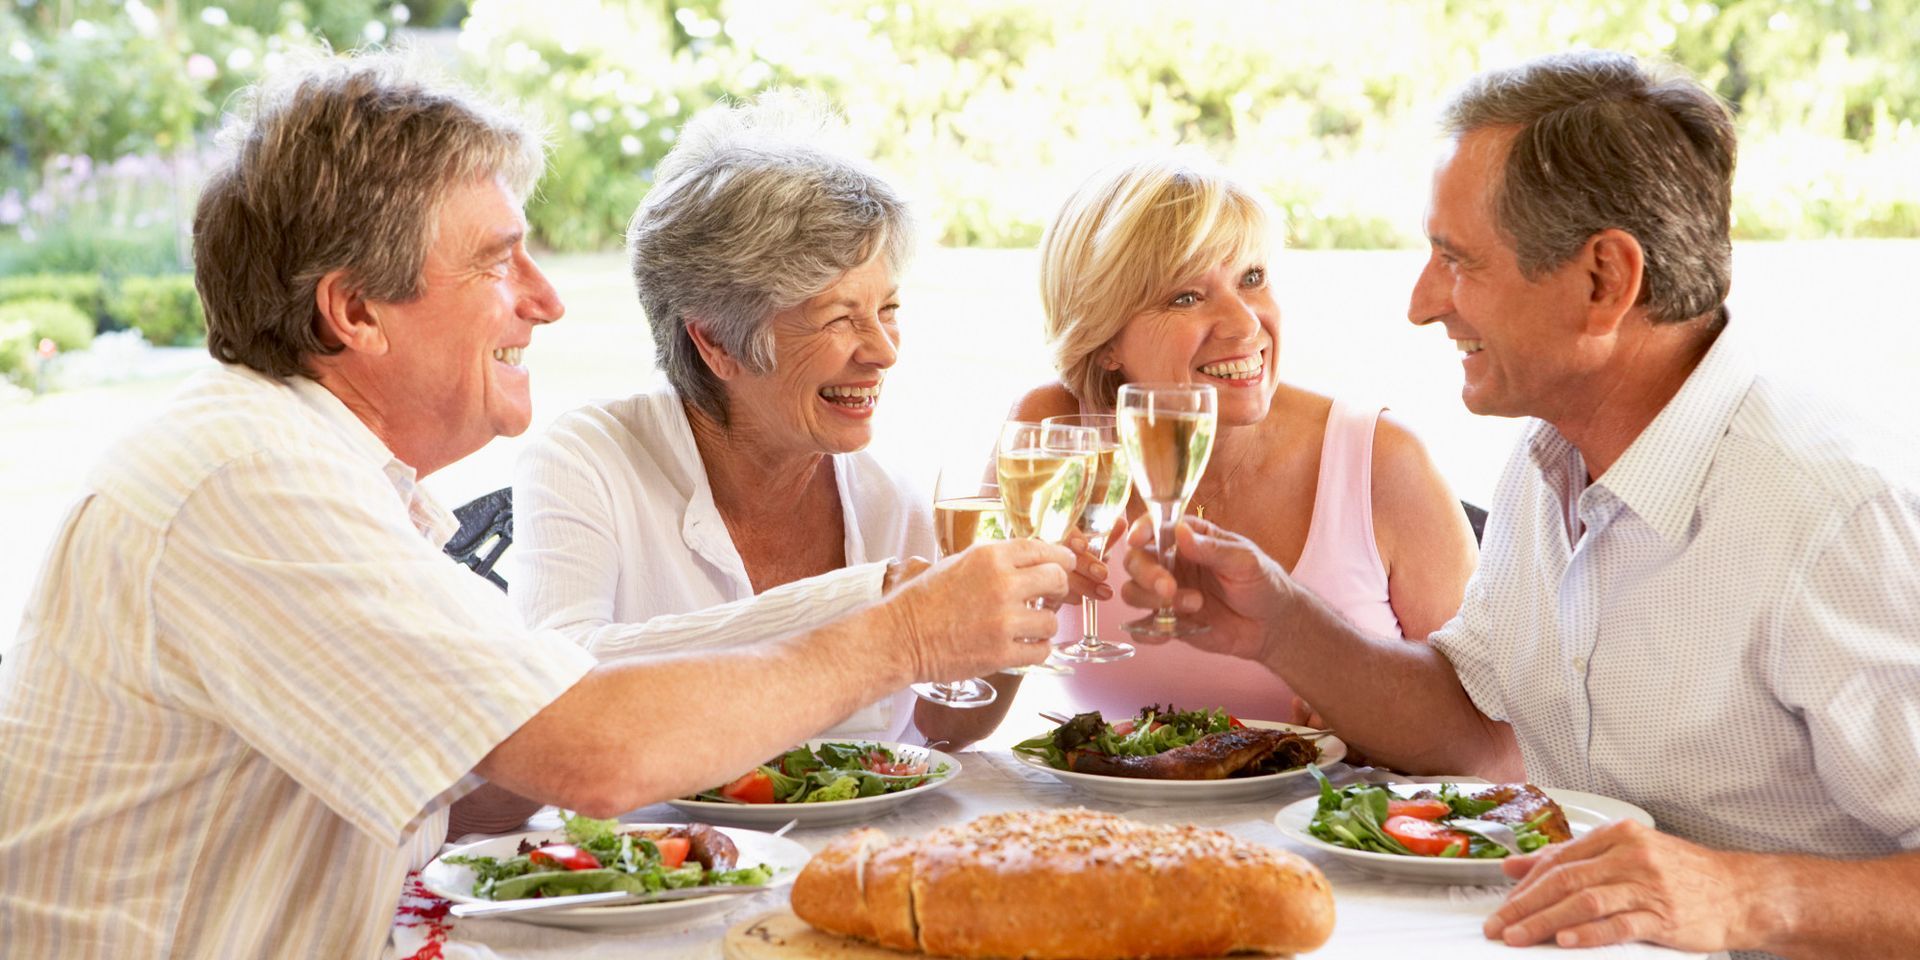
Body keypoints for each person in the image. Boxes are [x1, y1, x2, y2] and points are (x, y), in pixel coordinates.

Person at [0, 52, 1070, 960]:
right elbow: (586, 757)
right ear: (355, 310)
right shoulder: (250, 481)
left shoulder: (309, 469)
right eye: (499, 262)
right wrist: (902, 633)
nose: (550, 299)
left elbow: (478, 784)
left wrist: (914, 621)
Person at [1122, 51, 1920, 957]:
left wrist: (1747, 896)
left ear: (1603, 282)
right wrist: (1280, 624)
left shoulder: (1837, 516)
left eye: (1457, 261)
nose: (1423, 304)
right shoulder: (1548, 463)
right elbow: (1471, 733)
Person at [1009, 154, 1483, 730]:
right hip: (1097, 819)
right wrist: (1010, 612)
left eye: (1251, 279)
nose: (1243, 324)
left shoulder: (1381, 460)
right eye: (1186, 296)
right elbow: (950, 721)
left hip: (1319, 816)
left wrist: (1380, 725)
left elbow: (1487, 736)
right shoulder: (1056, 438)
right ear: (1105, 338)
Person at [511, 92, 927, 741]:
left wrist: (1021, 628)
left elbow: (944, 724)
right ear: (717, 343)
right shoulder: (588, 460)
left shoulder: (886, 495)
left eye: (890, 308)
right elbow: (550, 687)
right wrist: (866, 606)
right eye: (841, 317)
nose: (884, 351)